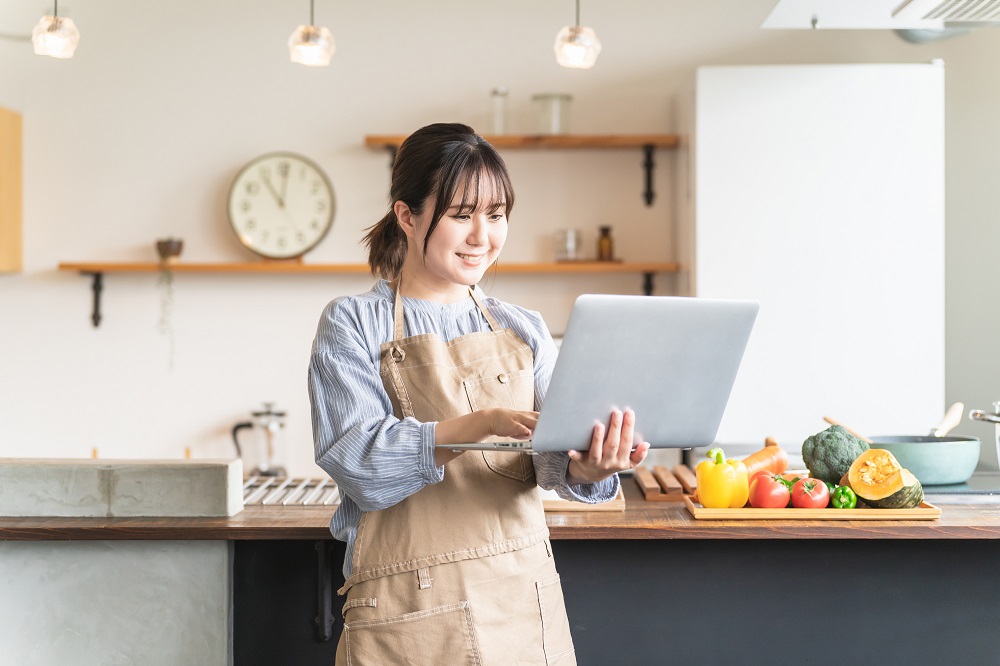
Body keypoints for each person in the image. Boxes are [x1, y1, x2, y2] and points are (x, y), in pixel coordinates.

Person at [308, 122, 649, 665]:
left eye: (495, 216)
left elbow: (553, 459)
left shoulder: (524, 327)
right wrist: (477, 424)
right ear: (407, 215)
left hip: (522, 600)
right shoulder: (353, 323)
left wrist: (590, 466)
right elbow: (356, 459)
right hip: (408, 611)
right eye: (461, 215)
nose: (481, 237)